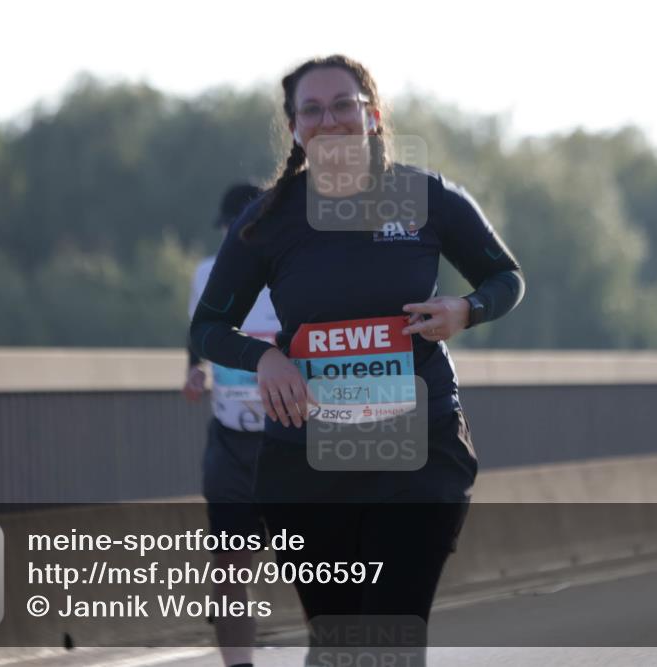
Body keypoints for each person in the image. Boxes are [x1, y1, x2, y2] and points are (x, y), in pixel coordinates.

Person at [189, 55, 525, 663]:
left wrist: (466, 309)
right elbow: (209, 326)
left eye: (343, 104)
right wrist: (265, 361)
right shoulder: (268, 219)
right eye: (311, 110)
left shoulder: (428, 196)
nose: (329, 120)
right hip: (309, 461)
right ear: (294, 127)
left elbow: (505, 276)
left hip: (419, 448)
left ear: (371, 115)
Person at [184, 183, 276, 667]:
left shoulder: (291, 274)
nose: (231, 240)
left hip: (290, 441)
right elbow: (198, 333)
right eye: (227, 232)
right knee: (229, 564)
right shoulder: (206, 274)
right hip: (230, 441)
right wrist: (193, 368)